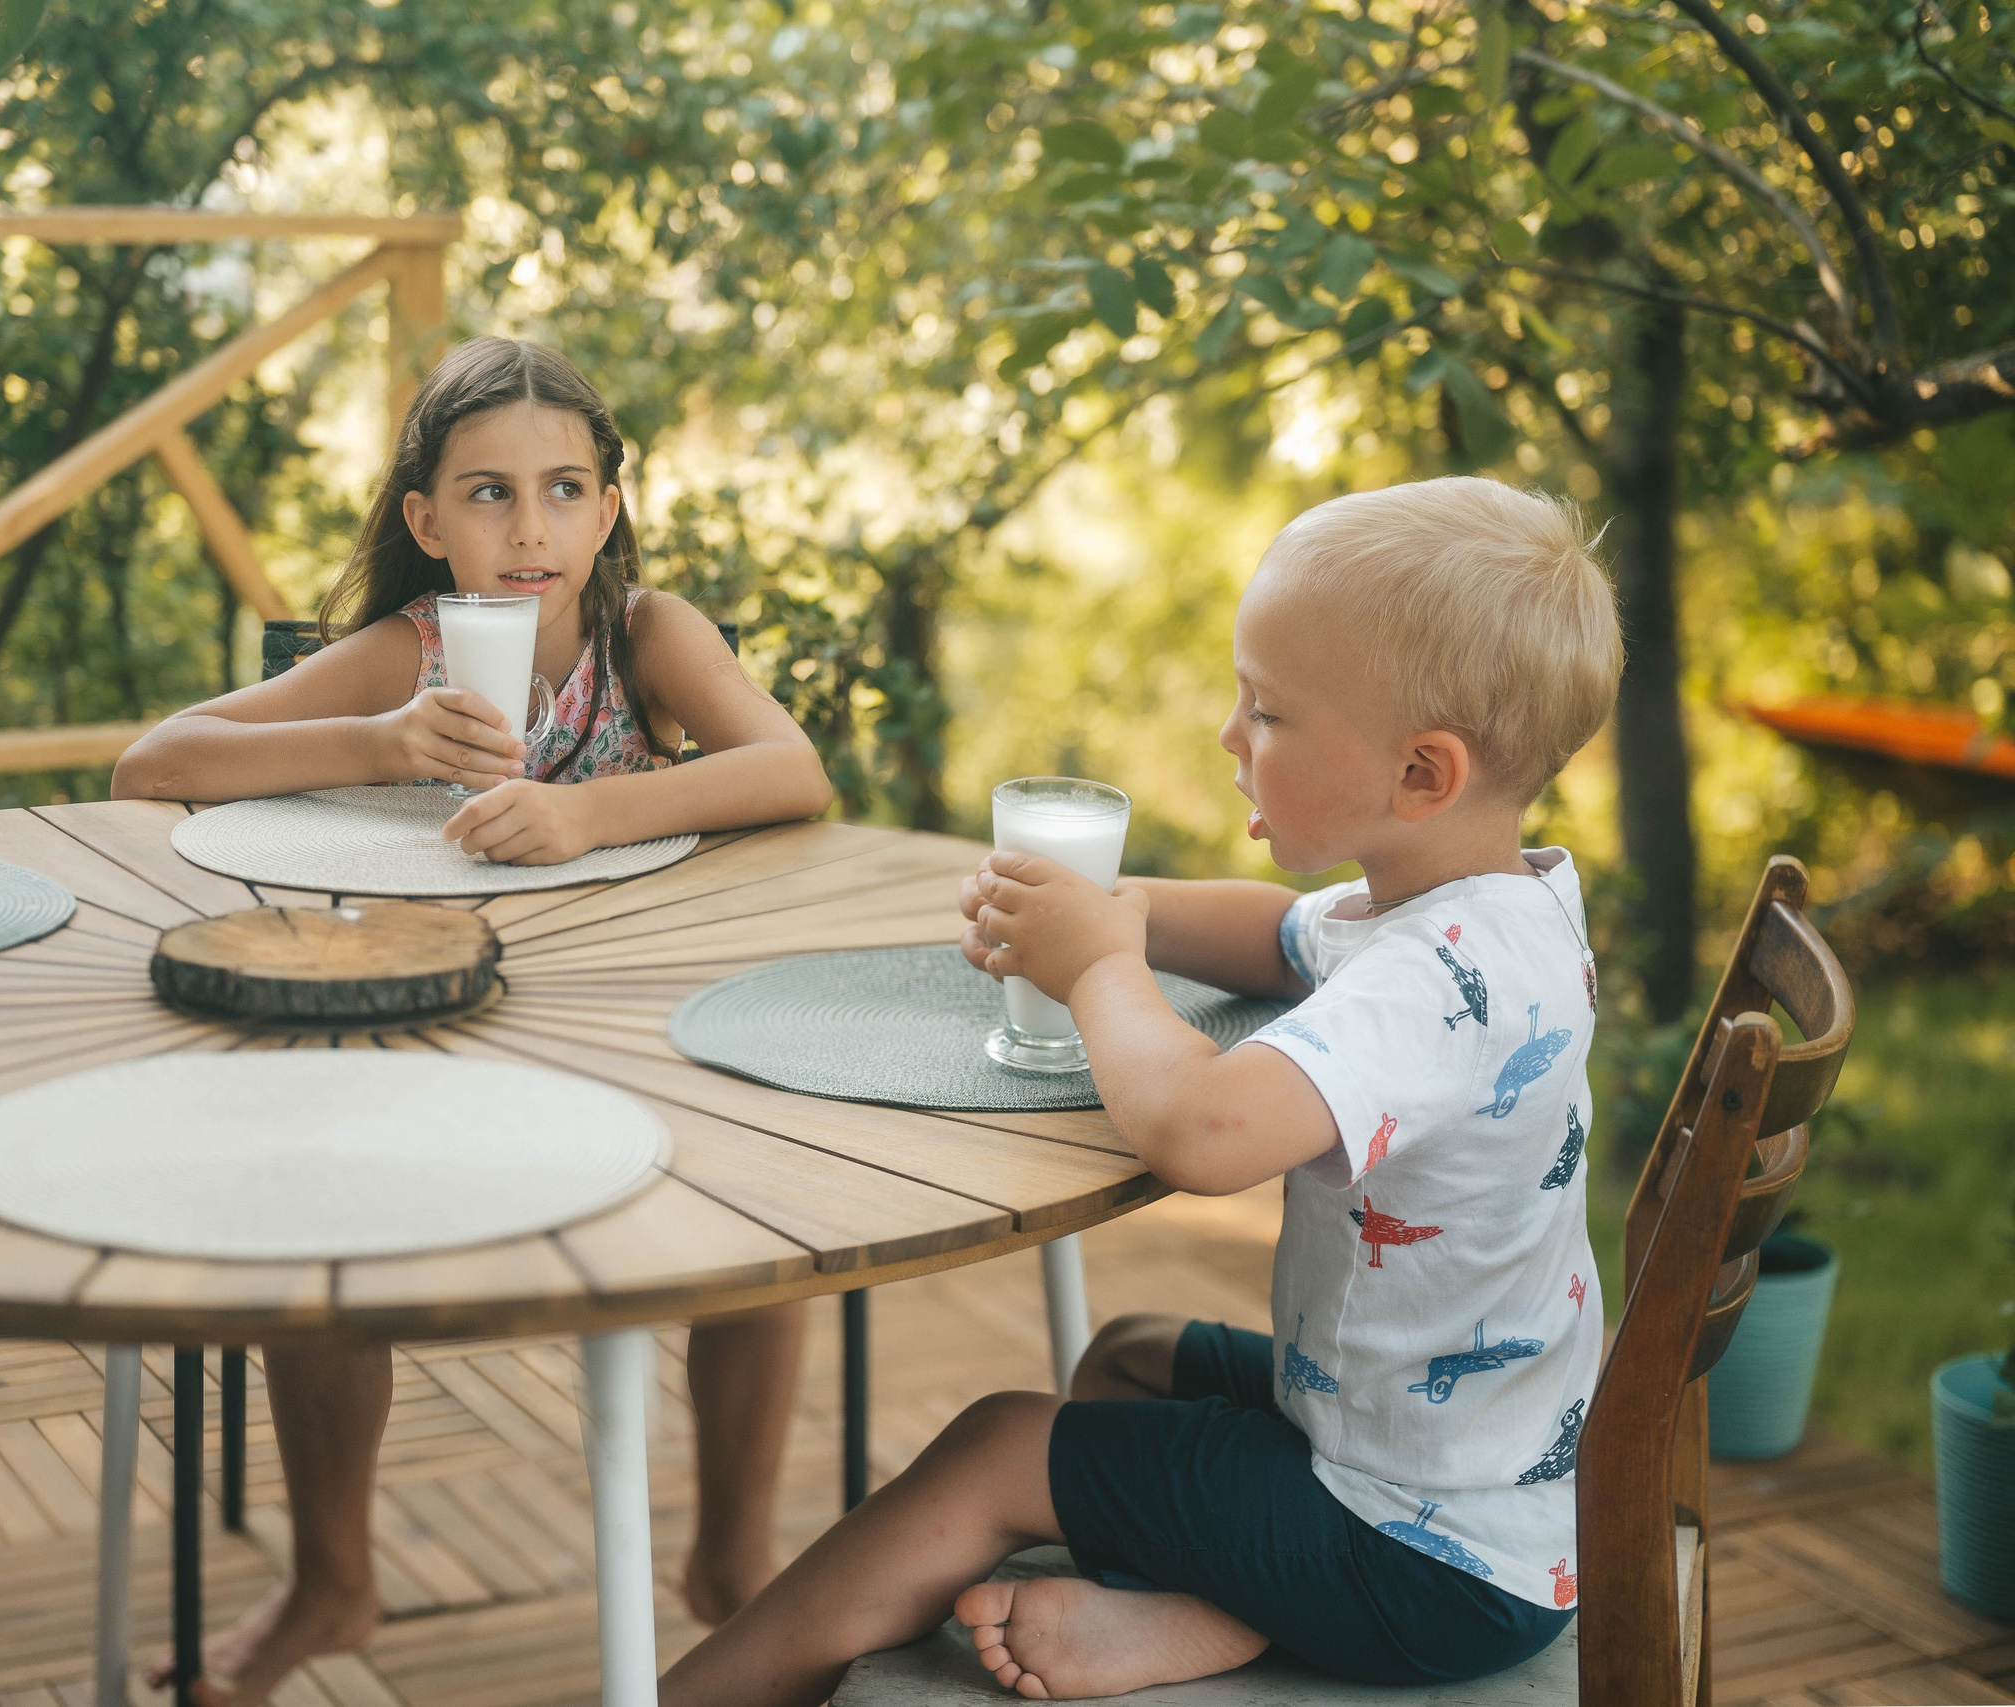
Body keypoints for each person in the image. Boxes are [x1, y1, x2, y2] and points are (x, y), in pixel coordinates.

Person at [659, 477, 1624, 1704]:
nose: (1230, 736)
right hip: (1481, 1480)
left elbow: (1202, 1133)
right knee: (1124, 1357)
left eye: (1266, 712)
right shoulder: (1489, 901)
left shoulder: (1437, 981)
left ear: (1422, 773)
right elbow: (1283, 934)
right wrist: (1110, 910)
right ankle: (1213, 1608)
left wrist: (1102, 967)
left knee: (994, 1448)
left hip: (1418, 1558)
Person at [114, 336, 835, 1707]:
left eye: (566, 488)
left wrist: (587, 809)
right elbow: (156, 762)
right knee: (310, 1211)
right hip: (431, 1038)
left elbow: (791, 769)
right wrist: (382, 740)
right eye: (489, 494)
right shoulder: (411, 650)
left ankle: (732, 1563)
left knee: (762, 1203)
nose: (531, 527)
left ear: (609, 508)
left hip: (638, 1029)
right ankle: (334, 1573)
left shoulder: (649, 639)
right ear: (427, 522)